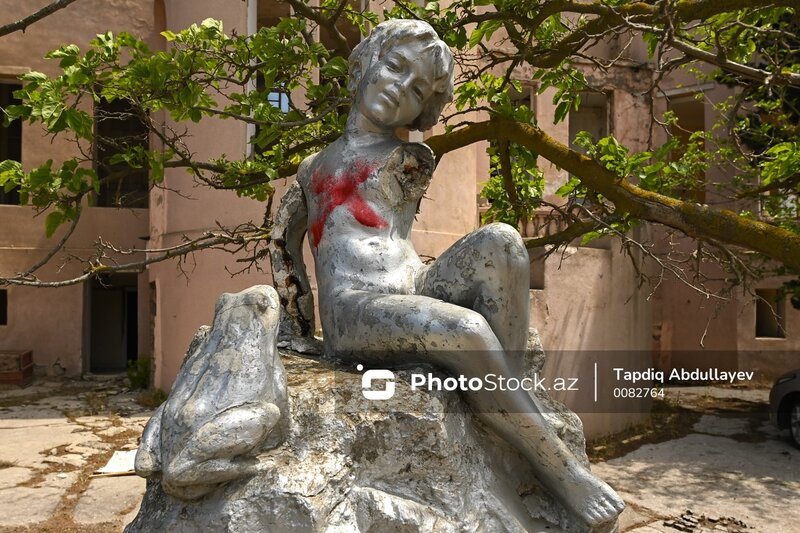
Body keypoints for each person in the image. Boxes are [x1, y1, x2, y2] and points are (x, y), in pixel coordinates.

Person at [276, 19, 624, 529]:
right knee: (466, 330)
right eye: (393, 67)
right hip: (355, 309)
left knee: (503, 241)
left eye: (416, 88)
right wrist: (298, 328)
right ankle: (561, 470)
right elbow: (281, 243)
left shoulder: (410, 157)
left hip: (410, 287)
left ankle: (505, 400)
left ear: (422, 111)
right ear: (362, 66)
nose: (398, 88)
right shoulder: (312, 169)